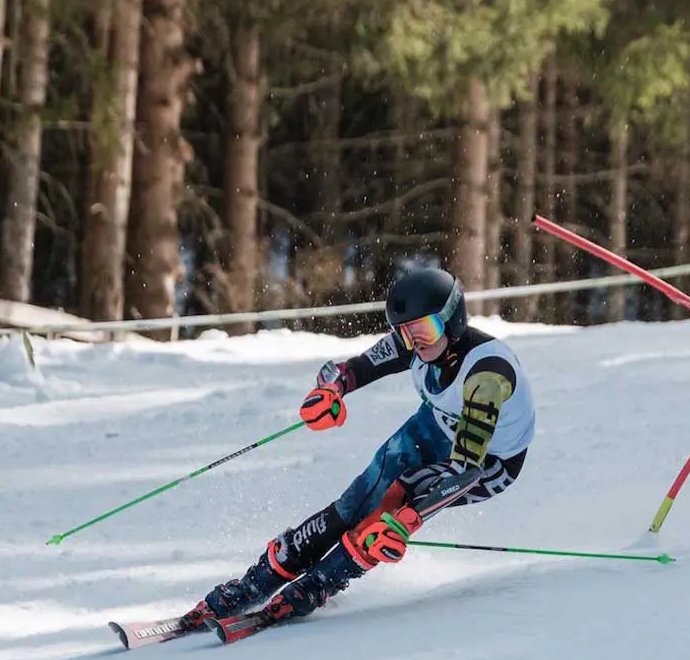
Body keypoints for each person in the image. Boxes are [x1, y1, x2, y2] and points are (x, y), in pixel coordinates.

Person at [183, 267, 537, 635]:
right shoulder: (414, 343)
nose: (417, 342)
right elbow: (351, 369)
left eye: (426, 329)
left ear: (453, 319)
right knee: (357, 501)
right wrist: (330, 391)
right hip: (437, 425)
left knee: (395, 501)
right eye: (406, 331)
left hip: (490, 462)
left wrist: (407, 519)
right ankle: (259, 580)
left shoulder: (486, 376)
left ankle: (320, 583)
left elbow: (464, 472)